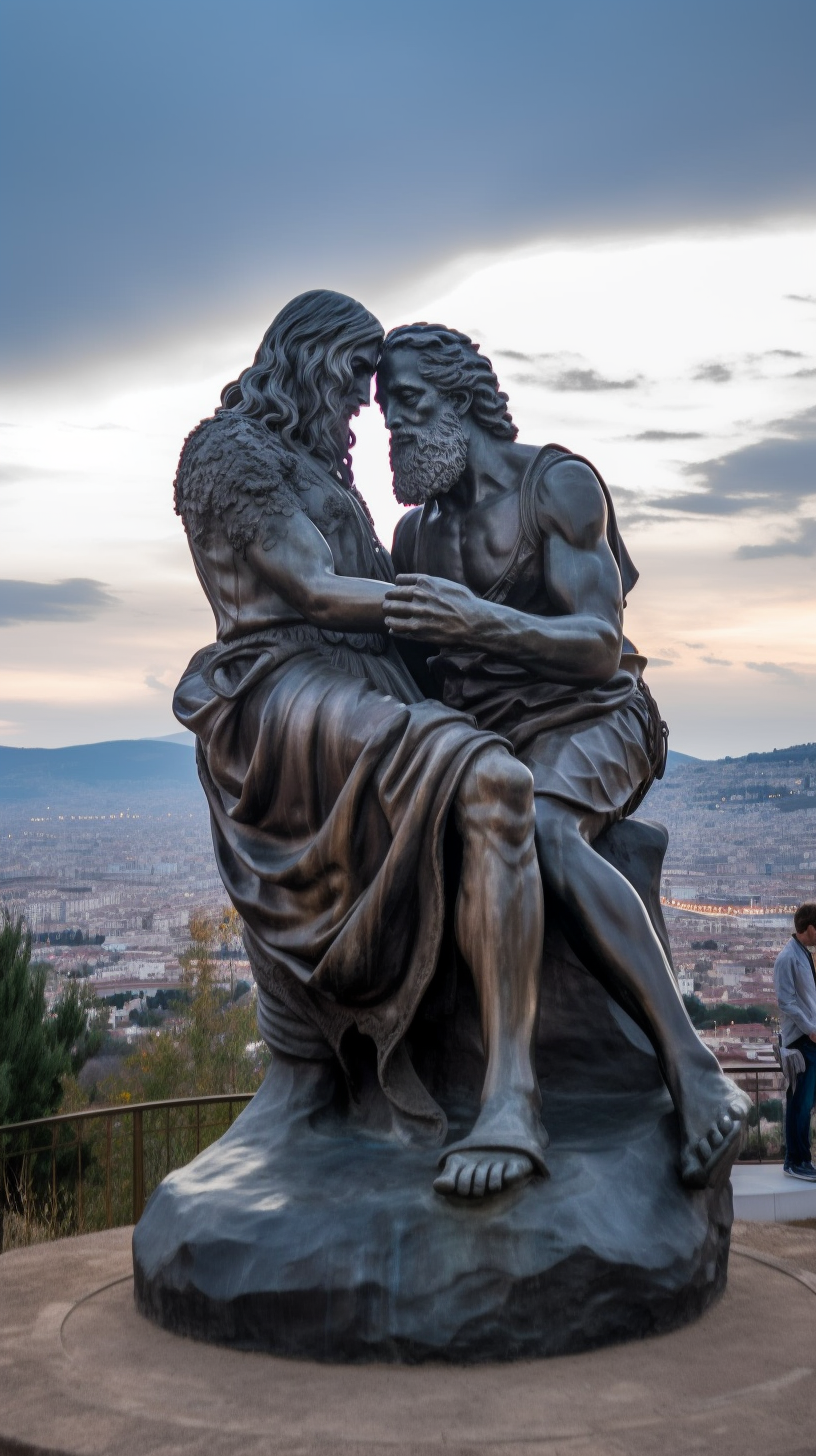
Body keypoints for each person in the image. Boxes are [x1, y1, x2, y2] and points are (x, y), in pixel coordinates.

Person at [172, 290, 549, 1199]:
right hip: (286, 693)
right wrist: (478, 618)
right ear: (304, 357)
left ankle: (510, 1093)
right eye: (349, 380)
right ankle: (493, 1091)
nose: (355, 405)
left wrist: (534, 641)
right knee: (494, 782)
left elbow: (391, 607)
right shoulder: (227, 453)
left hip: (364, 683)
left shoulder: (322, 472)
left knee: (502, 781)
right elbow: (310, 586)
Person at [376, 322, 750, 1189]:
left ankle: (693, 1071)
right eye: (385, 413)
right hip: (493, 738)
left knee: (544, 826)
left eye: (410, 405)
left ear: (463, 401)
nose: (393, 430)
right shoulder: (413, 537)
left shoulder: (559, 486)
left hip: (599, 715)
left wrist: (478, 621)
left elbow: (596, 643)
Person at [774, 903, 816, 1180]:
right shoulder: (787, 958)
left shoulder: (803, 955)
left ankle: (801, 1159)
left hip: (808, 1038)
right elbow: (786, 1002)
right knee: (799, 1102)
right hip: (801, 1040)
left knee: (805, 1101)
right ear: (810, 928)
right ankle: (795, 1160)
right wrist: (811, 1028)